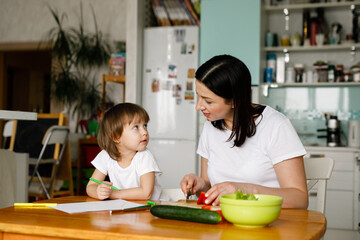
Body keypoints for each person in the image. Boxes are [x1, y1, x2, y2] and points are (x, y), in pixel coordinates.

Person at [180, 55, 308, 208]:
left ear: (235, 100)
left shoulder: (276, 126)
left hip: (269, 224)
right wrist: (200, 184)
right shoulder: (210, 127)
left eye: (208, 101)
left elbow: (300, 198)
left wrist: (244, 190)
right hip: (223, 223)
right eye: (198, 96)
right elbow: (210, 185)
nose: (198, 106)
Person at [86, 103, 168, 201]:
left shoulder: (144, 156)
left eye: (145, 126)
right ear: (116, 136)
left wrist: (112, 194)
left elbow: (146, 193)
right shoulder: (106, 156)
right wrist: (98, 192)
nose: (145, 132)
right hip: (130, 209)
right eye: (136, 127)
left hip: (154, 208)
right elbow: (90, 186)